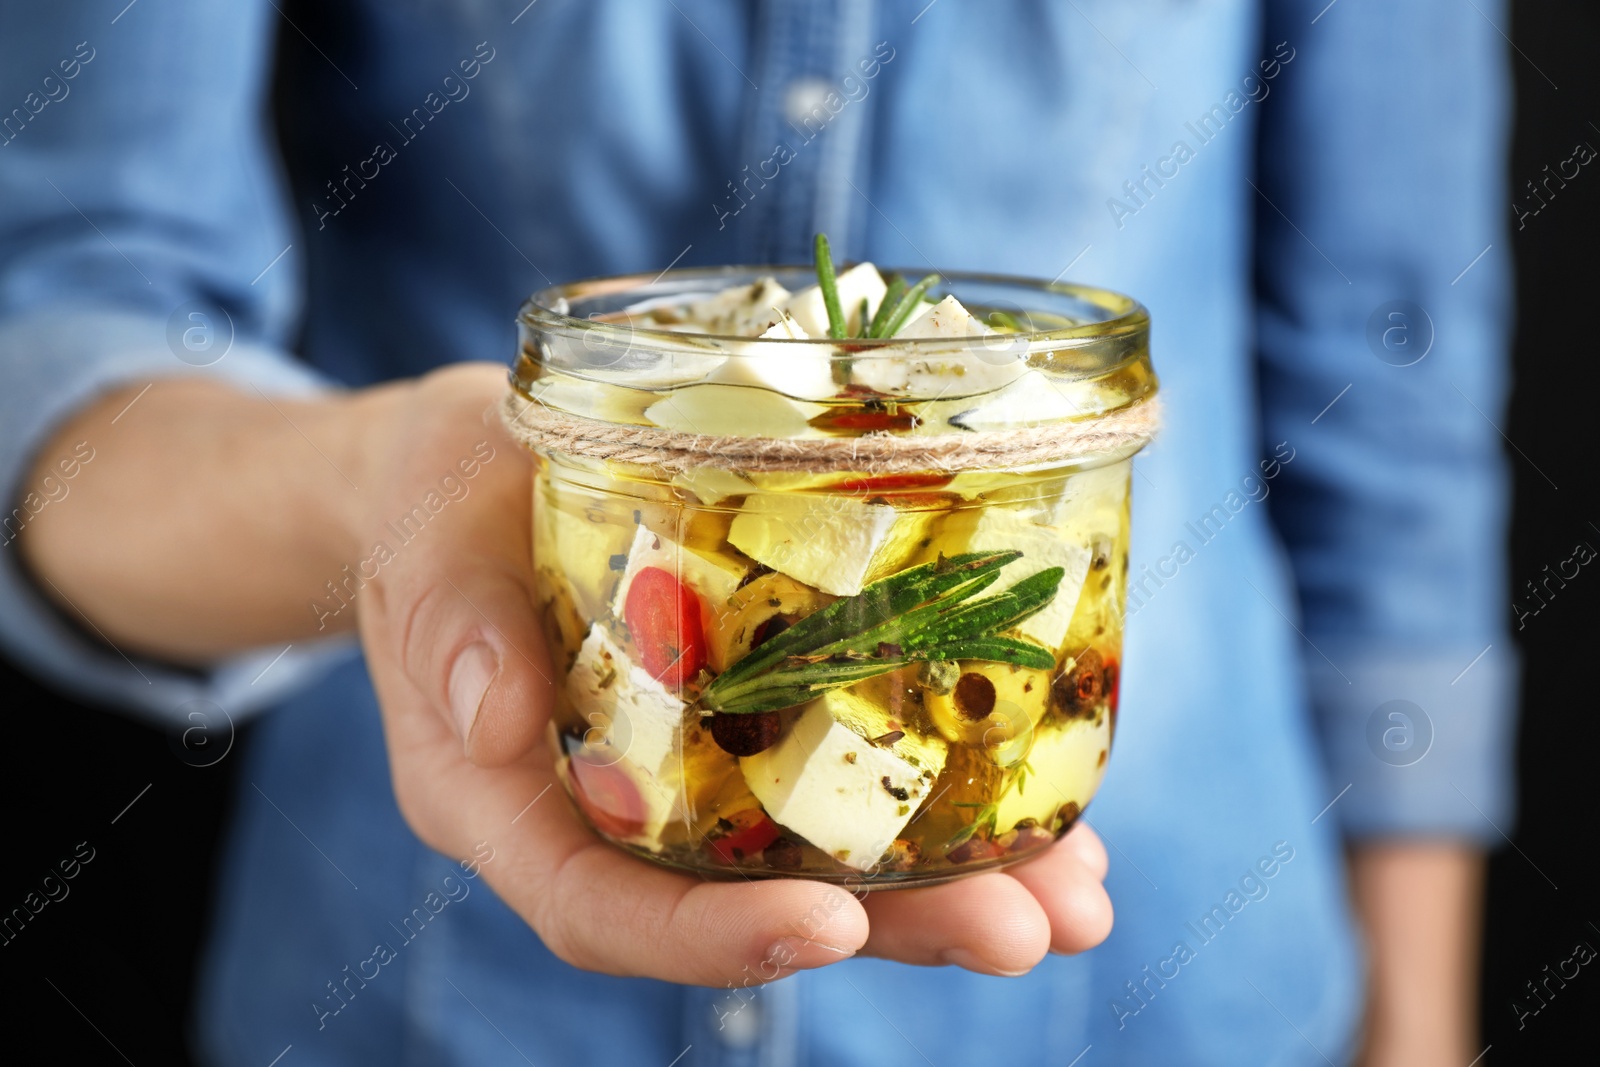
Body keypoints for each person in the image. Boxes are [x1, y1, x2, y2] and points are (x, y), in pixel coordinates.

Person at [0, 2, 1514, 1064]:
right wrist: (371, 485)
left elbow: (1390, 389)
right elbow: (67, 323)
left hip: (1163, 994)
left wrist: (1424, 1023)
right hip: (435, 994)